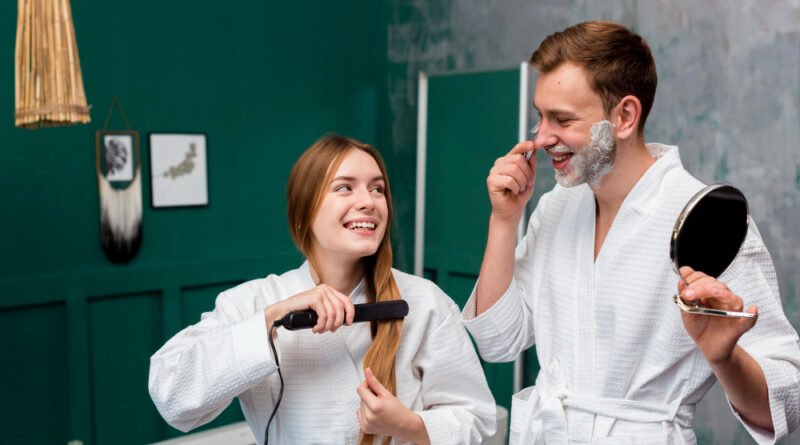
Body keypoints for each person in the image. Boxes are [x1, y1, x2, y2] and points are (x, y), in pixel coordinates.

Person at [461, 21, 800, 444]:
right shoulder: (556, 207)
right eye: (540, 116)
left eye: (561, 119)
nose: (542, 137)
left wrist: (725, 357)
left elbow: (787, 402)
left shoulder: (706, 219)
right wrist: (504, 220)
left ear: (624, 116)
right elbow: (497, 341)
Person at [149, 134, 496, 444]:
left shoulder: (424, 302)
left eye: (377, 188)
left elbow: (480, 423)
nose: (368, 201)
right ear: (303, 214)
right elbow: (171, 395)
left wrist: (410, 426)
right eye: (345, 187)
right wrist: (270, 319)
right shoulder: (255, 302)